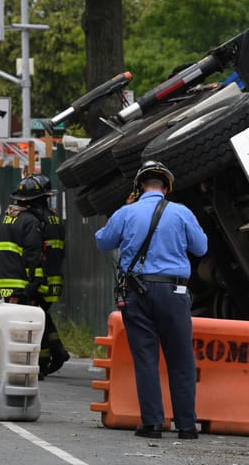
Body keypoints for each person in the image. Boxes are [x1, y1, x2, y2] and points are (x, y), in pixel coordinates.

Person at [94, 160, 208, 440]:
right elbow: (201, 247)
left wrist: (125, 208)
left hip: (137, 293)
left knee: (145, 358)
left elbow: (102, 241)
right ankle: (186, 425)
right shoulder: (181, 213)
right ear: (167, 188)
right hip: (174, 292)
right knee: (181, 359)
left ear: (140, 186)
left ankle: (153, 423)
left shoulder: (126, 212)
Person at [31, 173, 71, 376]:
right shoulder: (55, 218)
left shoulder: (38, 220)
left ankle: (44, 358)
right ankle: (57, 350)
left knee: (35, 316)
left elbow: (36, 252)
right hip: (55, 279)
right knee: (43, 315)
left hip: (42, 279)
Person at [0, 176, 46, 304]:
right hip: (19, 286)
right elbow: (32, 255)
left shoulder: (5, 218)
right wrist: (35, 282)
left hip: (0, 283)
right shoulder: (30, 221)